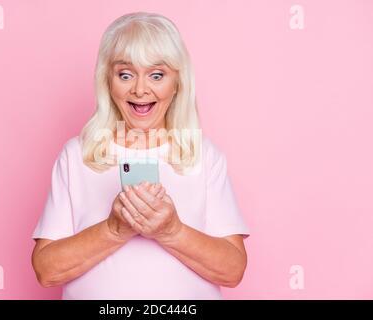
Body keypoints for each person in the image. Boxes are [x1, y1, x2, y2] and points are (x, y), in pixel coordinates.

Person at [31, 11, 250, 300]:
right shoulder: (77, 156)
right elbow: (46, 270)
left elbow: (233, 270)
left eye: (157, 75)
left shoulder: (203, 156)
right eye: (125, 74)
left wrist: (170, 231)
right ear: (107, 81)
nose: (140, 89)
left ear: (177, 83)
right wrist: (114, 229)